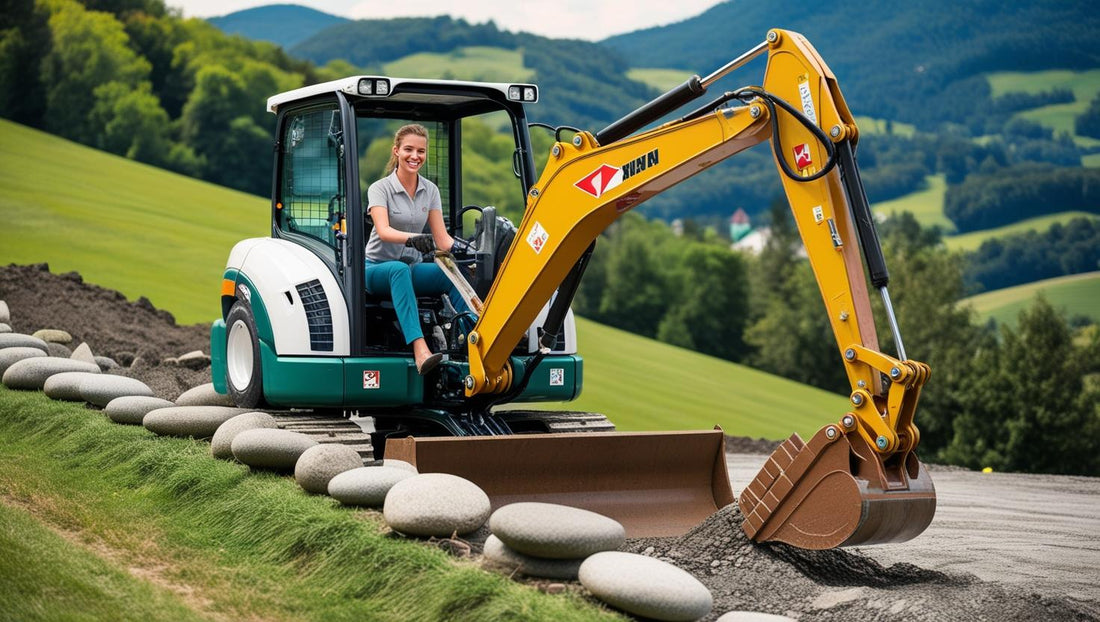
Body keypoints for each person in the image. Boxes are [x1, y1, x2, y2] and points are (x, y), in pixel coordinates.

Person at [364, 124, 470, 375]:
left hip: (409, 270)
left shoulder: (430, 190)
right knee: (398, 270)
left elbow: (442, 240)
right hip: (376, 270)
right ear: (396, 151)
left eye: (420, 151)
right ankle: (420, 349)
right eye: (408, 149)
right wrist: (413, 239)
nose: (415, 156)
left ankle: (471, 337)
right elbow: (383, 230)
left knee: (450, 272)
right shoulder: (380, 189)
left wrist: (472, 249)